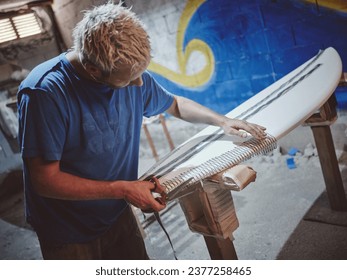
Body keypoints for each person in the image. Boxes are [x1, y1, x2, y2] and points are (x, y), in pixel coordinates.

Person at [17, 2, 266, 260]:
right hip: (67, 230)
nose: (139, 83)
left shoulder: (133, 75)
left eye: (141, 73)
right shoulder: (44, 93)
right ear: (93, 69)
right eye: (127, 80)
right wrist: (124, 189)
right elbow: (45, 180)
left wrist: (222, 121)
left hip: (117, 211)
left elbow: (176, 104)